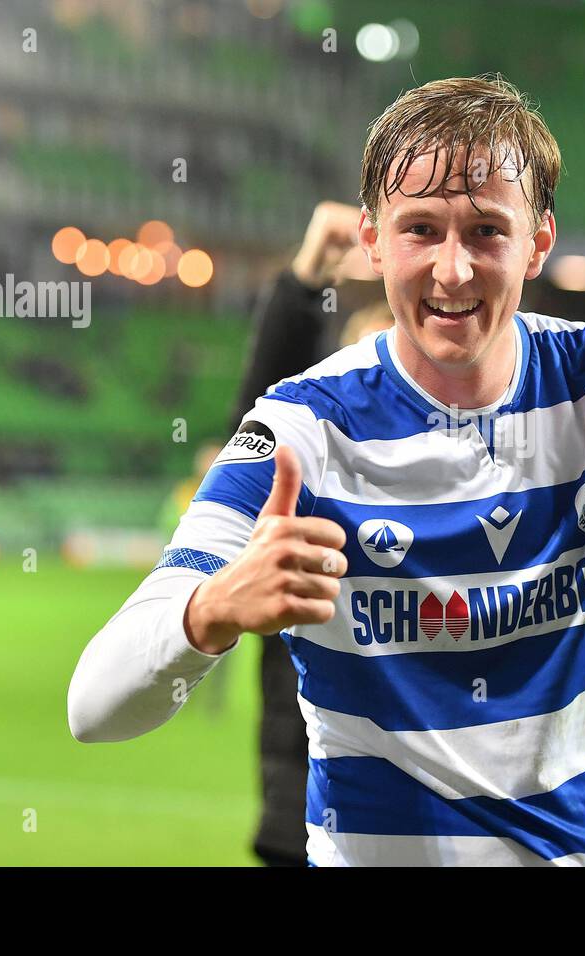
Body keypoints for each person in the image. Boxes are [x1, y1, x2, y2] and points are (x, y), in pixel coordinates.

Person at [68, 74, 585, 866]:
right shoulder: (298, 427)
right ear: (372, 239)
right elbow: (94, 706)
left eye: (486, 232)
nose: (453, 269)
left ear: (539, 241)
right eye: (421, 229)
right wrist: (213, 608)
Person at [231, 201, 392, 867]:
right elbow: (258, 418)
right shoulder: (304, 492)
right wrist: (307, 277)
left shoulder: (458, 496)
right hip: (307, 801)